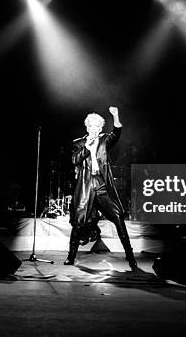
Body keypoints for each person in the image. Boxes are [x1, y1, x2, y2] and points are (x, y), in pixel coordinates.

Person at [65, 106, 137, 270]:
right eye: (92, 126)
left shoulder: (105, 139)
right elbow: (74, 160)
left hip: (102, 184)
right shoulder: (79, 143)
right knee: (79, 222)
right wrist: (86, 148)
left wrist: (116, 116)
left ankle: (130, 257)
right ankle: (71, 257)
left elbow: (117, 132)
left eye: (98, 126)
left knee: (118, 217)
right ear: (87, 127)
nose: (95, 129)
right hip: (87, 184)